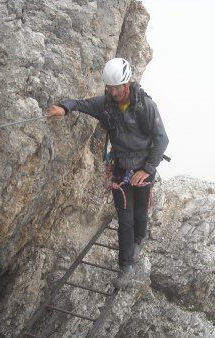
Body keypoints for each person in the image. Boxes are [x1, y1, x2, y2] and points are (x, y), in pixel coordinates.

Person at [47, 58, 169, 289]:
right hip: (122, 168)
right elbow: (80, 104)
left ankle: (139, 240)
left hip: (144, 168)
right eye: (109, 87)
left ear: (127, 83)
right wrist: (64, 108)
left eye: (117, 87)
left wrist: (146, 169)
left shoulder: (146, 106)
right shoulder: (105, 105)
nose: (113, 92)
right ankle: (126, 266)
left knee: (140, 213)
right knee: (125, 219)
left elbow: (162, 140)